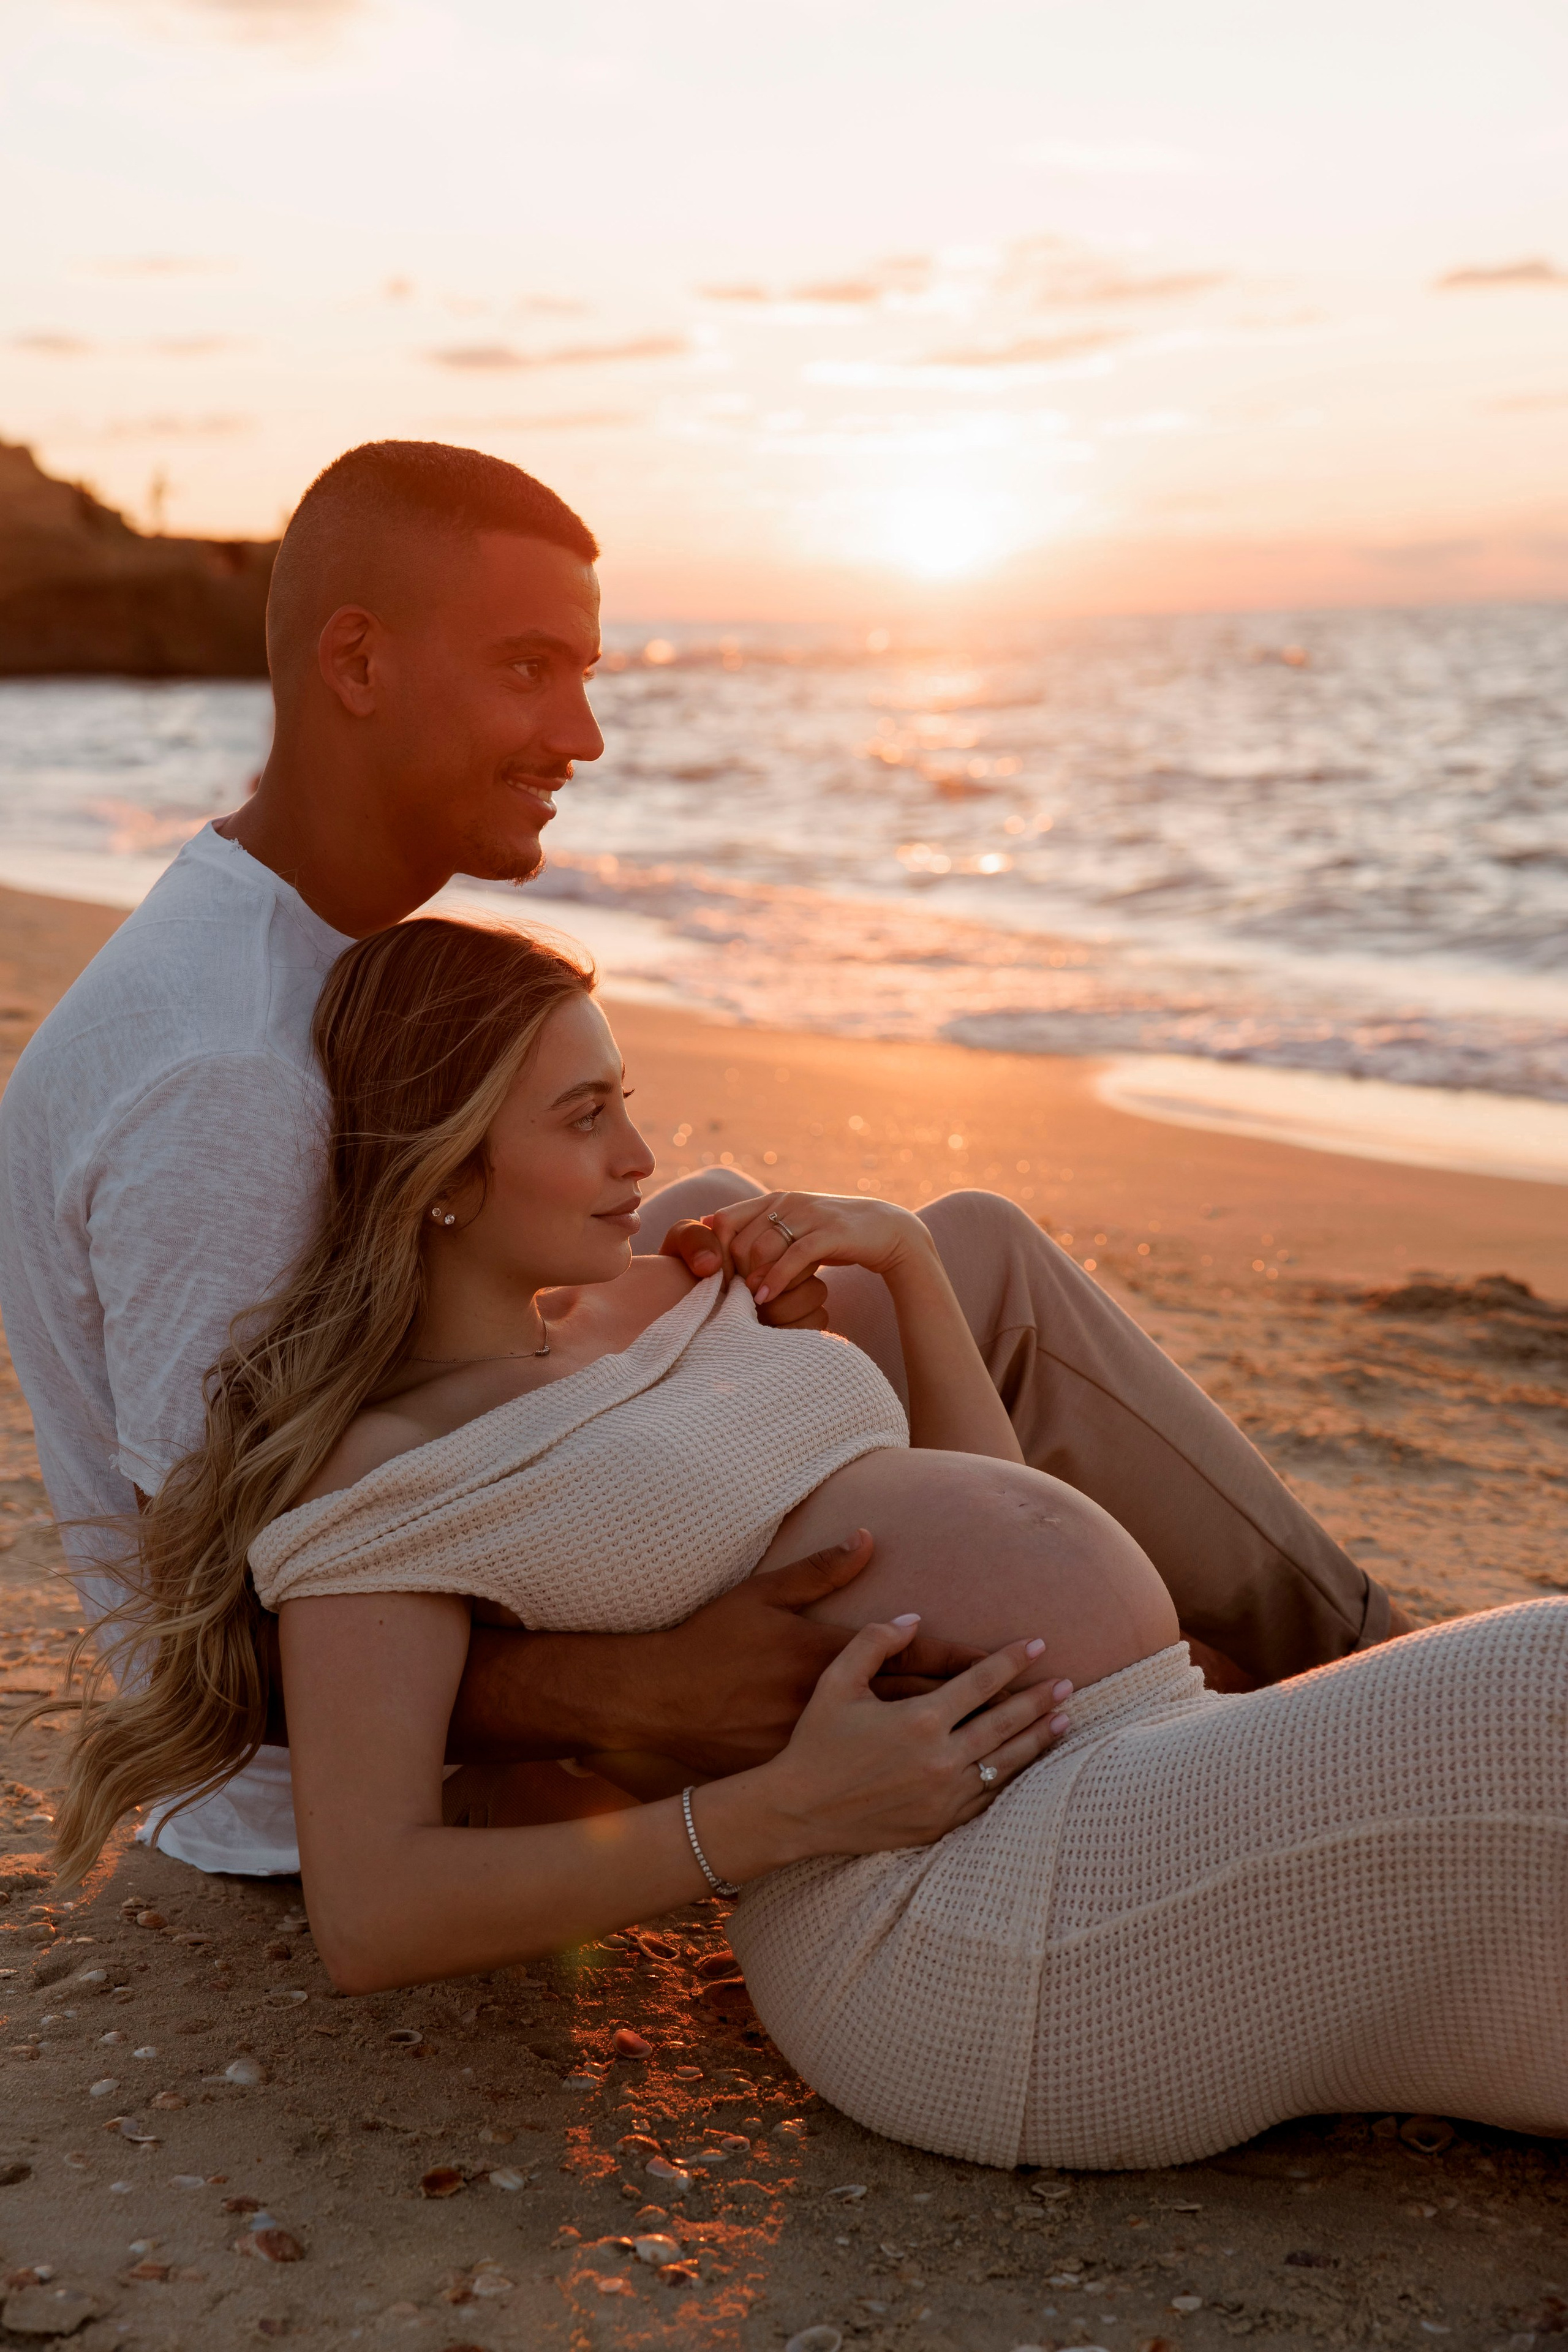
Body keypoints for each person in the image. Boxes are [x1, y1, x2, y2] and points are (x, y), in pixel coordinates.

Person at [0, 437, 1404, 1880]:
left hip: (481, 1597)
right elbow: (215, 1594)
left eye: (588, 674)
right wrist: (640, 1687)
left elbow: (385, 1333)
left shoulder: (301, 943)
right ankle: (1370, 1701)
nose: (584, 736)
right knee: (938, 1328)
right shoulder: (223, 1076)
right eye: (530, 668)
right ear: (357, 664)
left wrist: (663, 1276)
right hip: (364, 1787)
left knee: (952, 1250)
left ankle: (1353, 1666)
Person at [52, 918, 1568, 2173]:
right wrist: (772, 1813)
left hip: (1126, 1759)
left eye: (624, 1097)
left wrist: (905, 1265)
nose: (638, 1151)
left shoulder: (672, 1290)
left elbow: (991, 1502)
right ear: (446, 1174)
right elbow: (372, 1910)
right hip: (949, 1919)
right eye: (583, 1120)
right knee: (1538, 1690)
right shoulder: (390, 1478)